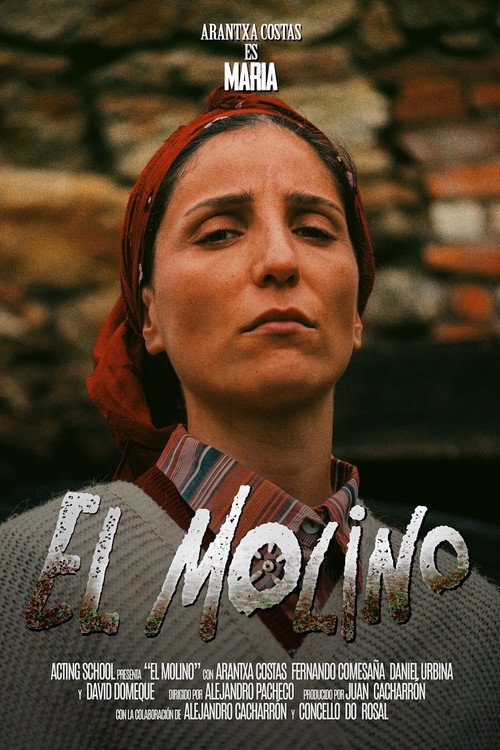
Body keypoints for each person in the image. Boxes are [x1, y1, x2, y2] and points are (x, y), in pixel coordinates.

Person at [0, 89, 498, 749]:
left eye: (315, 230)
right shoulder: (29, 583)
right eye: (219, 233)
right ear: (150, 314)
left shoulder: (472, 628)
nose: (280, 260)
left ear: (356, 313)